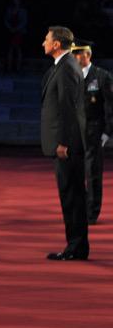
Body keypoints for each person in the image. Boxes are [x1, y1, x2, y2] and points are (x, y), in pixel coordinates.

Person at [40, 26, 89, 260]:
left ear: (57, 44)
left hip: (67, 146)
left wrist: (63, 142)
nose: (43, 43)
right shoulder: (62, 66)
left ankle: (76, 248)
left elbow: (69, 109)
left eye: (46, 39)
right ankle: (75, 246)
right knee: (70, 195)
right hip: (66, 144)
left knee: (72, 196)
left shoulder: (67, 67)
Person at [70, 40, 113, 224]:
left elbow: (110, 106)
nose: (73, 57)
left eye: (76, 54)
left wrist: (107, 132)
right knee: (75, 172)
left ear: (87, 54)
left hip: (94, 130)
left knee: (92, 172)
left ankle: (91, 212)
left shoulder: (102, 76)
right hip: (75, 131)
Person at [4, 0, 28, 73]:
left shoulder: (23, 10)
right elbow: (6, 20)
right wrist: (10, 28)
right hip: (10, 32)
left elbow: (24, 22)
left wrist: (17, 29)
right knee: (10, 49)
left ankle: (18, 68)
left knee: (18, 49)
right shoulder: (9, 9)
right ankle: (9, 67)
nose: (15, 0)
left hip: (19, 32)